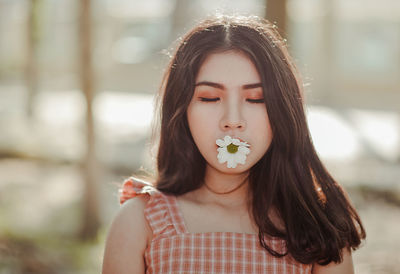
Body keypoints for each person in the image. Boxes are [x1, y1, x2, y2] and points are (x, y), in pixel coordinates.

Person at [102, 14, 365, 274]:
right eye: (209, 98)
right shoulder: (140, 223)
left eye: (256, 99)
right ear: (182, 109)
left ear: (283, 111)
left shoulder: (317, 225)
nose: (233, 121)